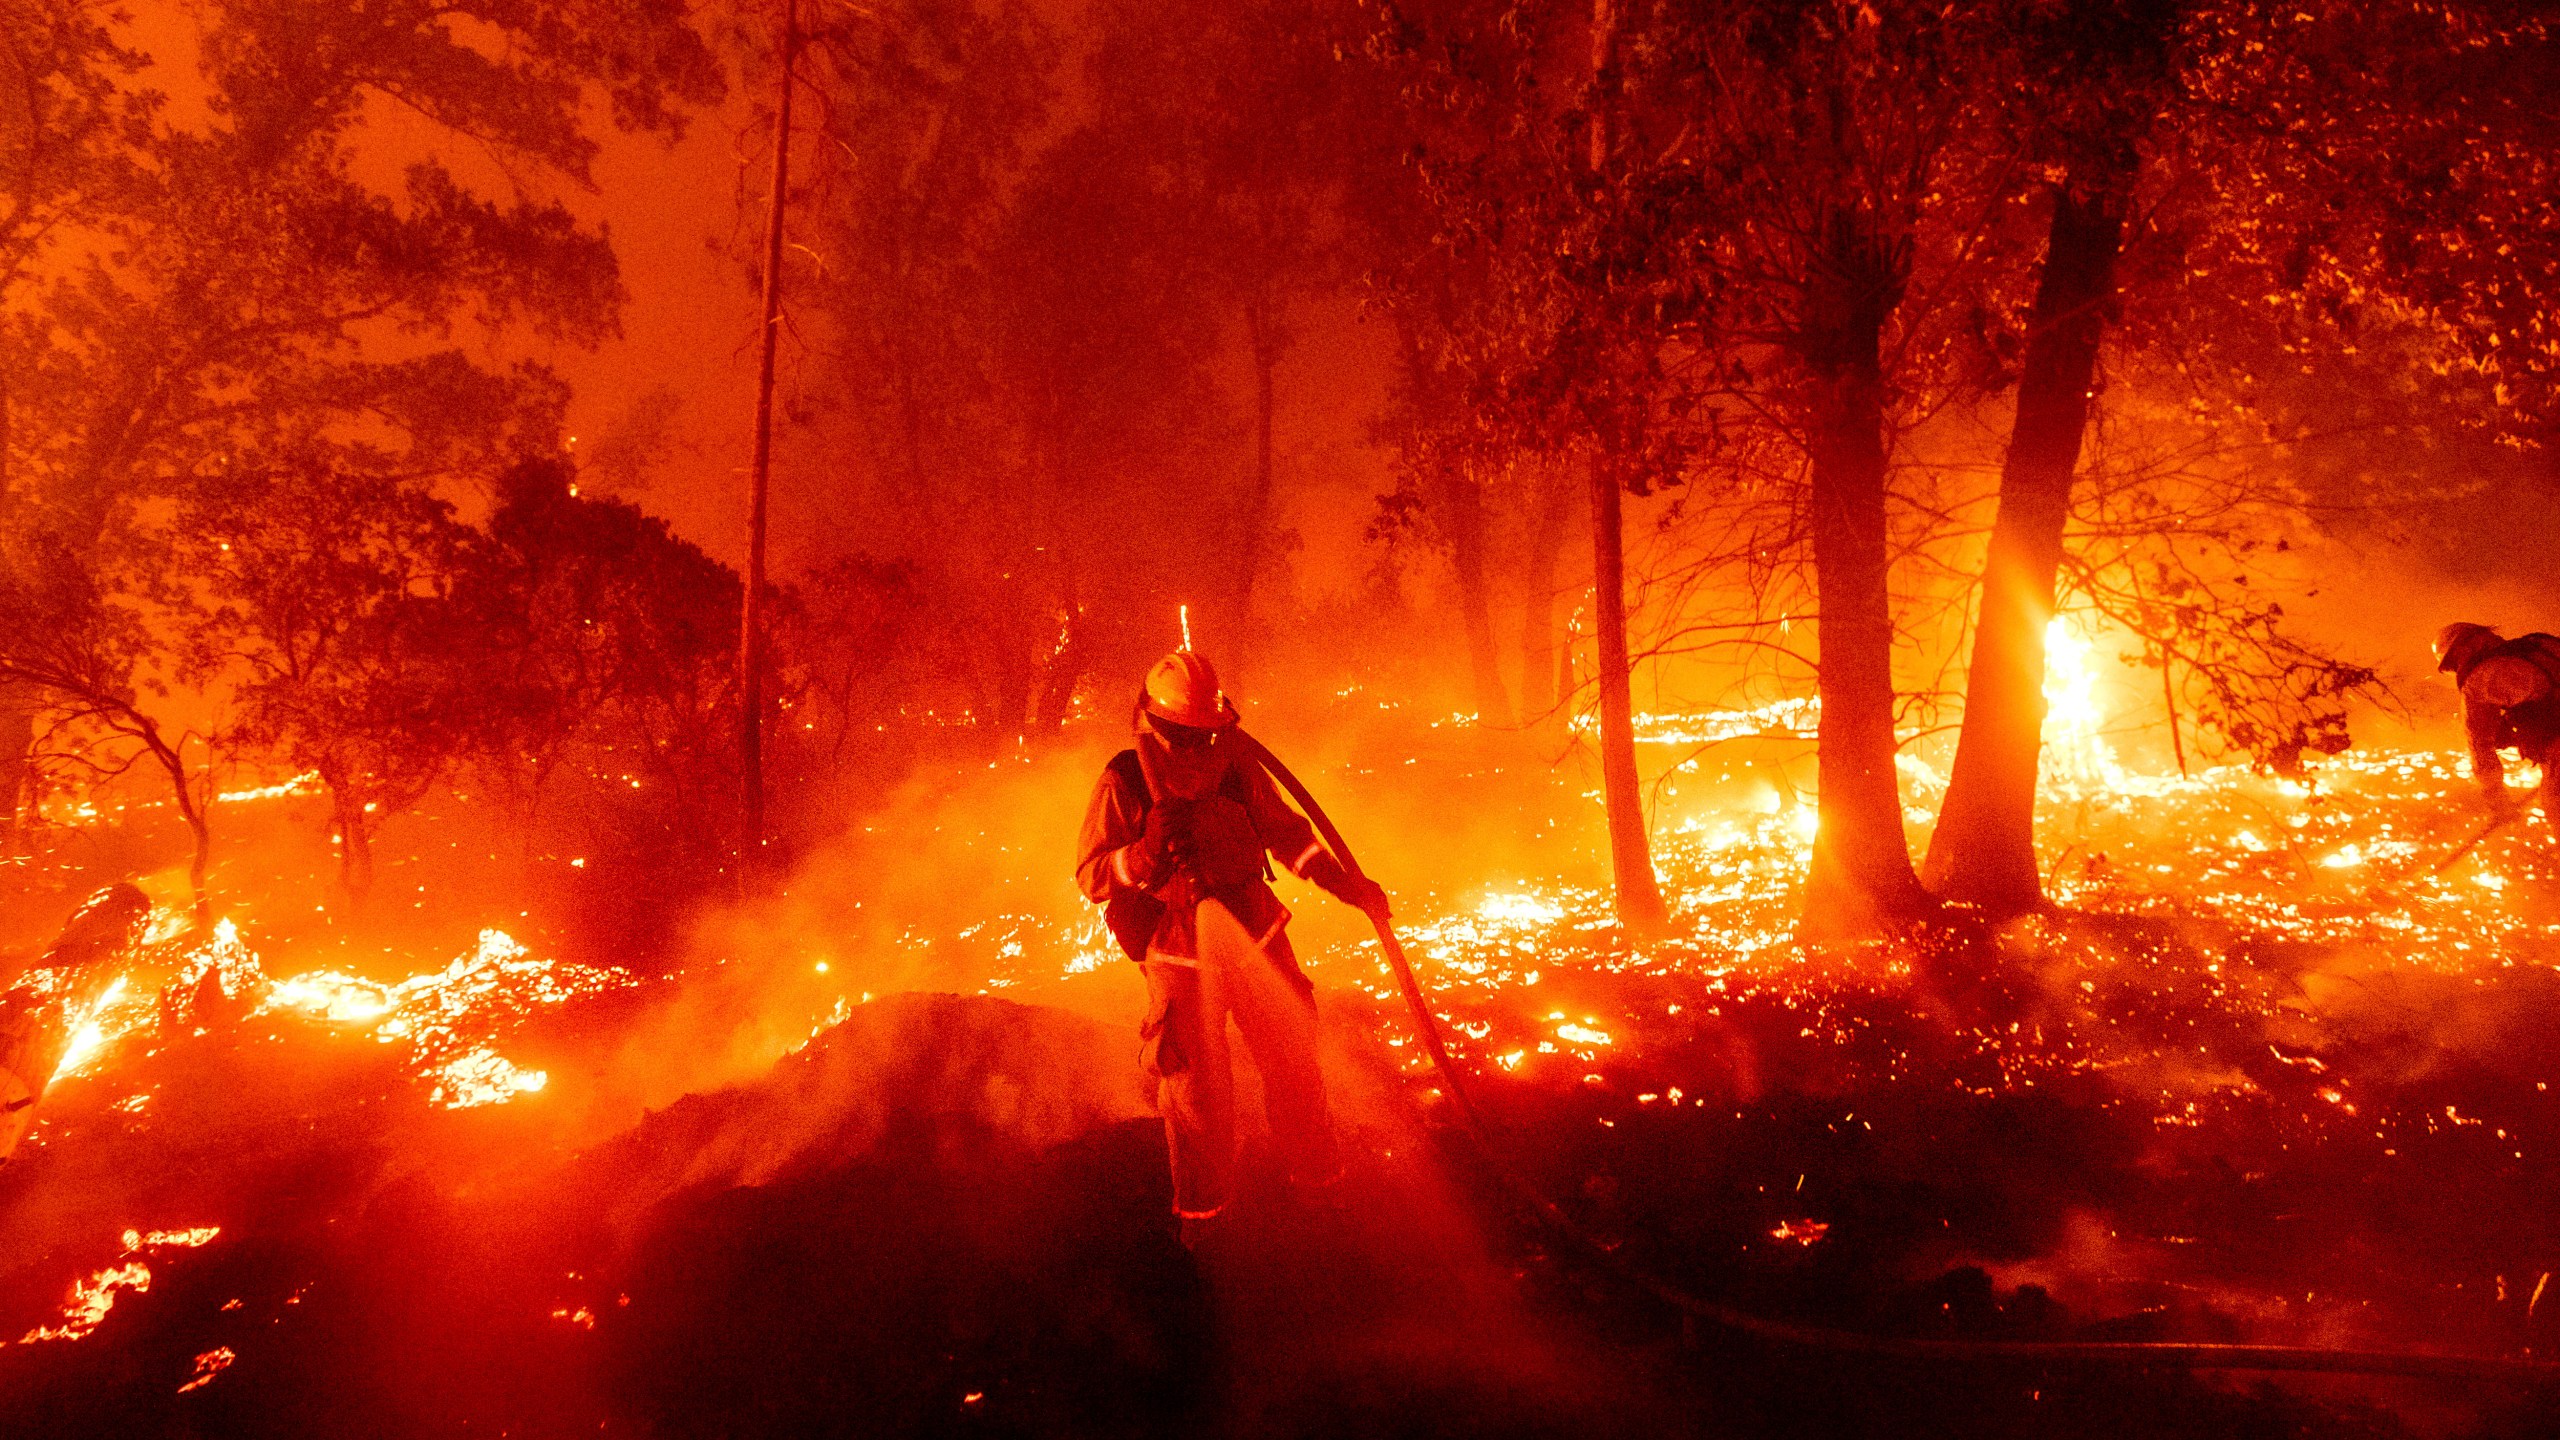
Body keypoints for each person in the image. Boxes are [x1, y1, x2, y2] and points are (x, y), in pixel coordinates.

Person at [1075, 650, 1389, 1233]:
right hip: (1177, 951)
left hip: (1255, 934)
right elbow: (1091, 875)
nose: (1196, 750)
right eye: (1183, 736)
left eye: (1205, 735)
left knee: (1294, 1060)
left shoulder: (1237, 765)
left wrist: (1343, 883)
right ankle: (1205, 1217)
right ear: (1157, 726)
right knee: (1194, 1088)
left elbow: (1288, 834)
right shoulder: (1124, 780)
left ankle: (1320, 1189)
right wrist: (1141, 855)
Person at [2437, 622, 2560, 826]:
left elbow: (2479, 746)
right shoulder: (2538, 644)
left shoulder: (2478, 680)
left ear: (2463, 648)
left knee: (2555, 805)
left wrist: (2499, 803)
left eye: (2452, 663)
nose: (2456, 668)